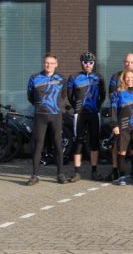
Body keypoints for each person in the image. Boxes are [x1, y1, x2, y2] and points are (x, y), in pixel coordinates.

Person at [26, 53, 67, 186]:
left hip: (56, 115)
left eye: (51, 63)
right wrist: (40, 106)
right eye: (46, 63)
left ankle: (60, 174)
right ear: (44, 63)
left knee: (57, 144)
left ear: (56, 64)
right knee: (38, 145)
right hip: (40, 115)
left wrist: (58, 107)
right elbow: (30, 96)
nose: (49, 65)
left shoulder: (61, 78)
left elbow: (64, 96)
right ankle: (34, 175)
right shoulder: (34, 78)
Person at [67, 52, 106, 182]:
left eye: (90, 62)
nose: (88, 65)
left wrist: (97, 106)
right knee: (78, 141)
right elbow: (70, 96)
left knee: (94, 141)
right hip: (80, 114)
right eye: (85, 62)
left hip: (94, 113)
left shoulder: (99, 78)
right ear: (81, 63)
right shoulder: (74, 78)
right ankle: (77, 173)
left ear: (93, 64)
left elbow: (103, 95)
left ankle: (94, 171)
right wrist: (77, 107)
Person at [107, 53, 133, 181]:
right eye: (127, 77)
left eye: (131, 77)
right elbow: (113, 106)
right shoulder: (118, 90)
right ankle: (120, 174)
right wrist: (114, 123)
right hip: (122, 125)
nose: (129, 79)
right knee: (121, 150)